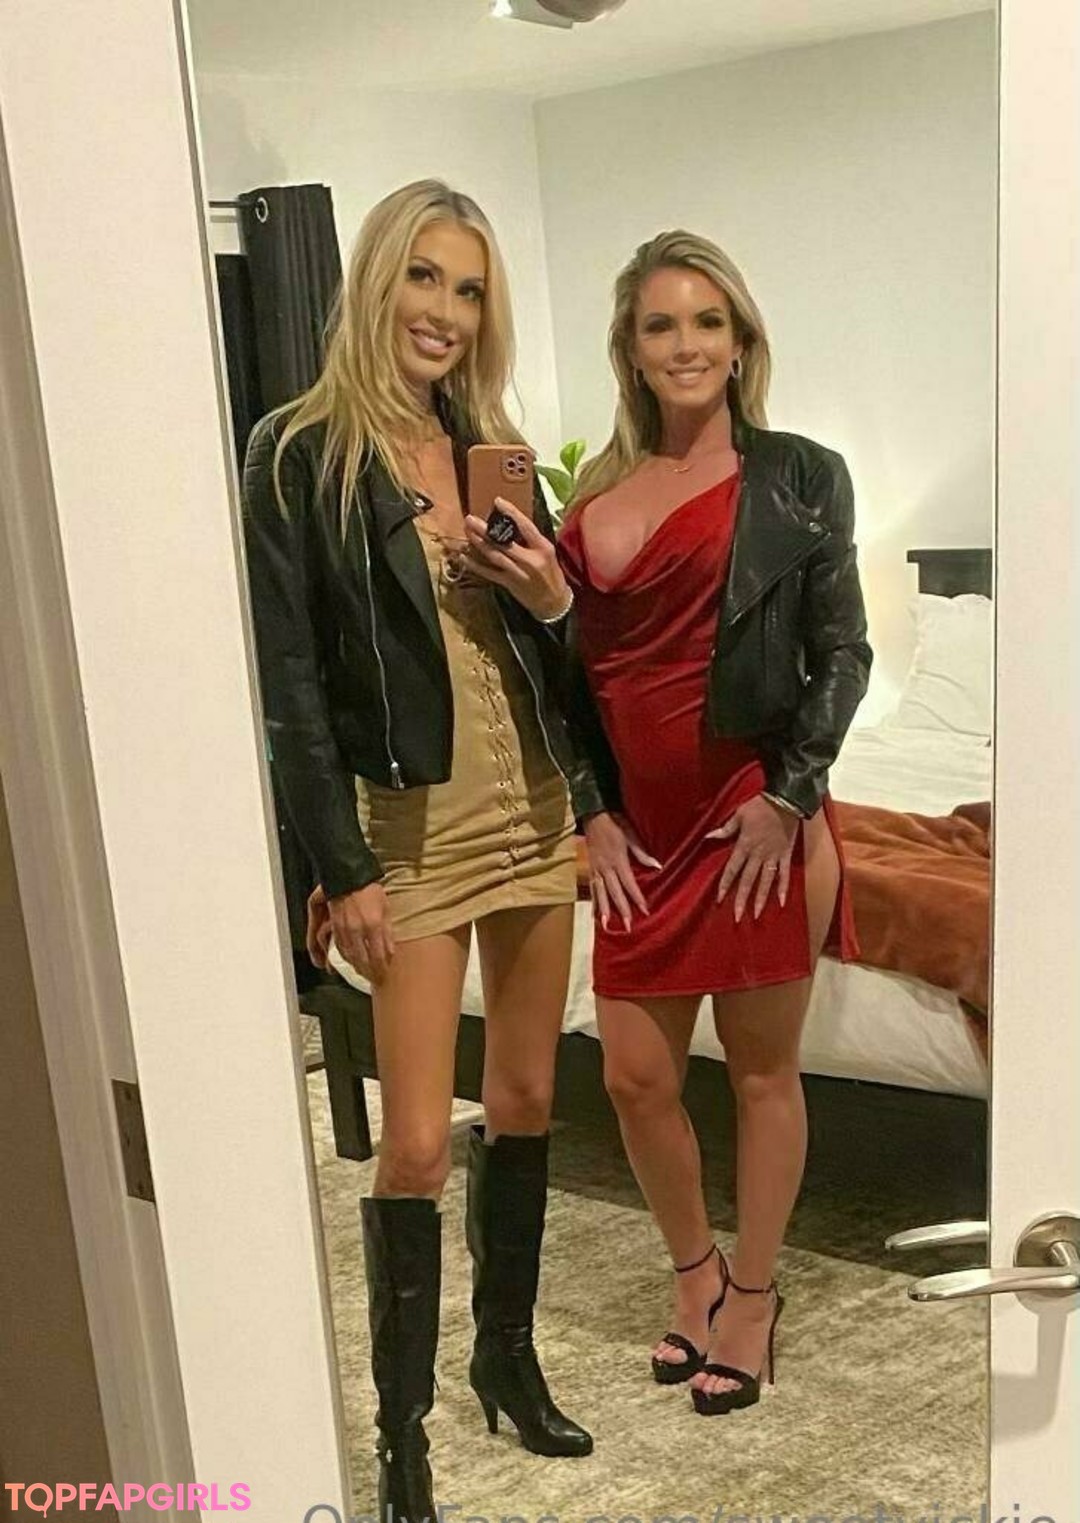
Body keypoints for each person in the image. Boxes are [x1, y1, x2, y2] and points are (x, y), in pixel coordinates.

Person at [242, 179, 593, 1520]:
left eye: (470, 288)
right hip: (411, 827)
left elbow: (557, 651)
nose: (445, 310)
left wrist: (551, 594)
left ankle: (508, 1354)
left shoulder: (492, 448)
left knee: (527, 1094)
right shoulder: (300, 452)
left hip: (532, 809)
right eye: (425, 277)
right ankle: (403, 1439)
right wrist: (341, 865)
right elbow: (292, 687)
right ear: (377, 278)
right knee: (414, 1147)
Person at [556, 229, 872, 1418]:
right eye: (661, 324)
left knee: (760, 1073)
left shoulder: (800, 475)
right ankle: (695, 1271)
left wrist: (790, 796)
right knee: (634, 1076)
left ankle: (754, 1294)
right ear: (631, 350)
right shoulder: (591, 498)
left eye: (707, 322)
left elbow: (844, 652)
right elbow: (566, 682)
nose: (686, 344)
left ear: (739, 343)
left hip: (755, 819)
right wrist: (589, 813)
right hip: (639, 833)